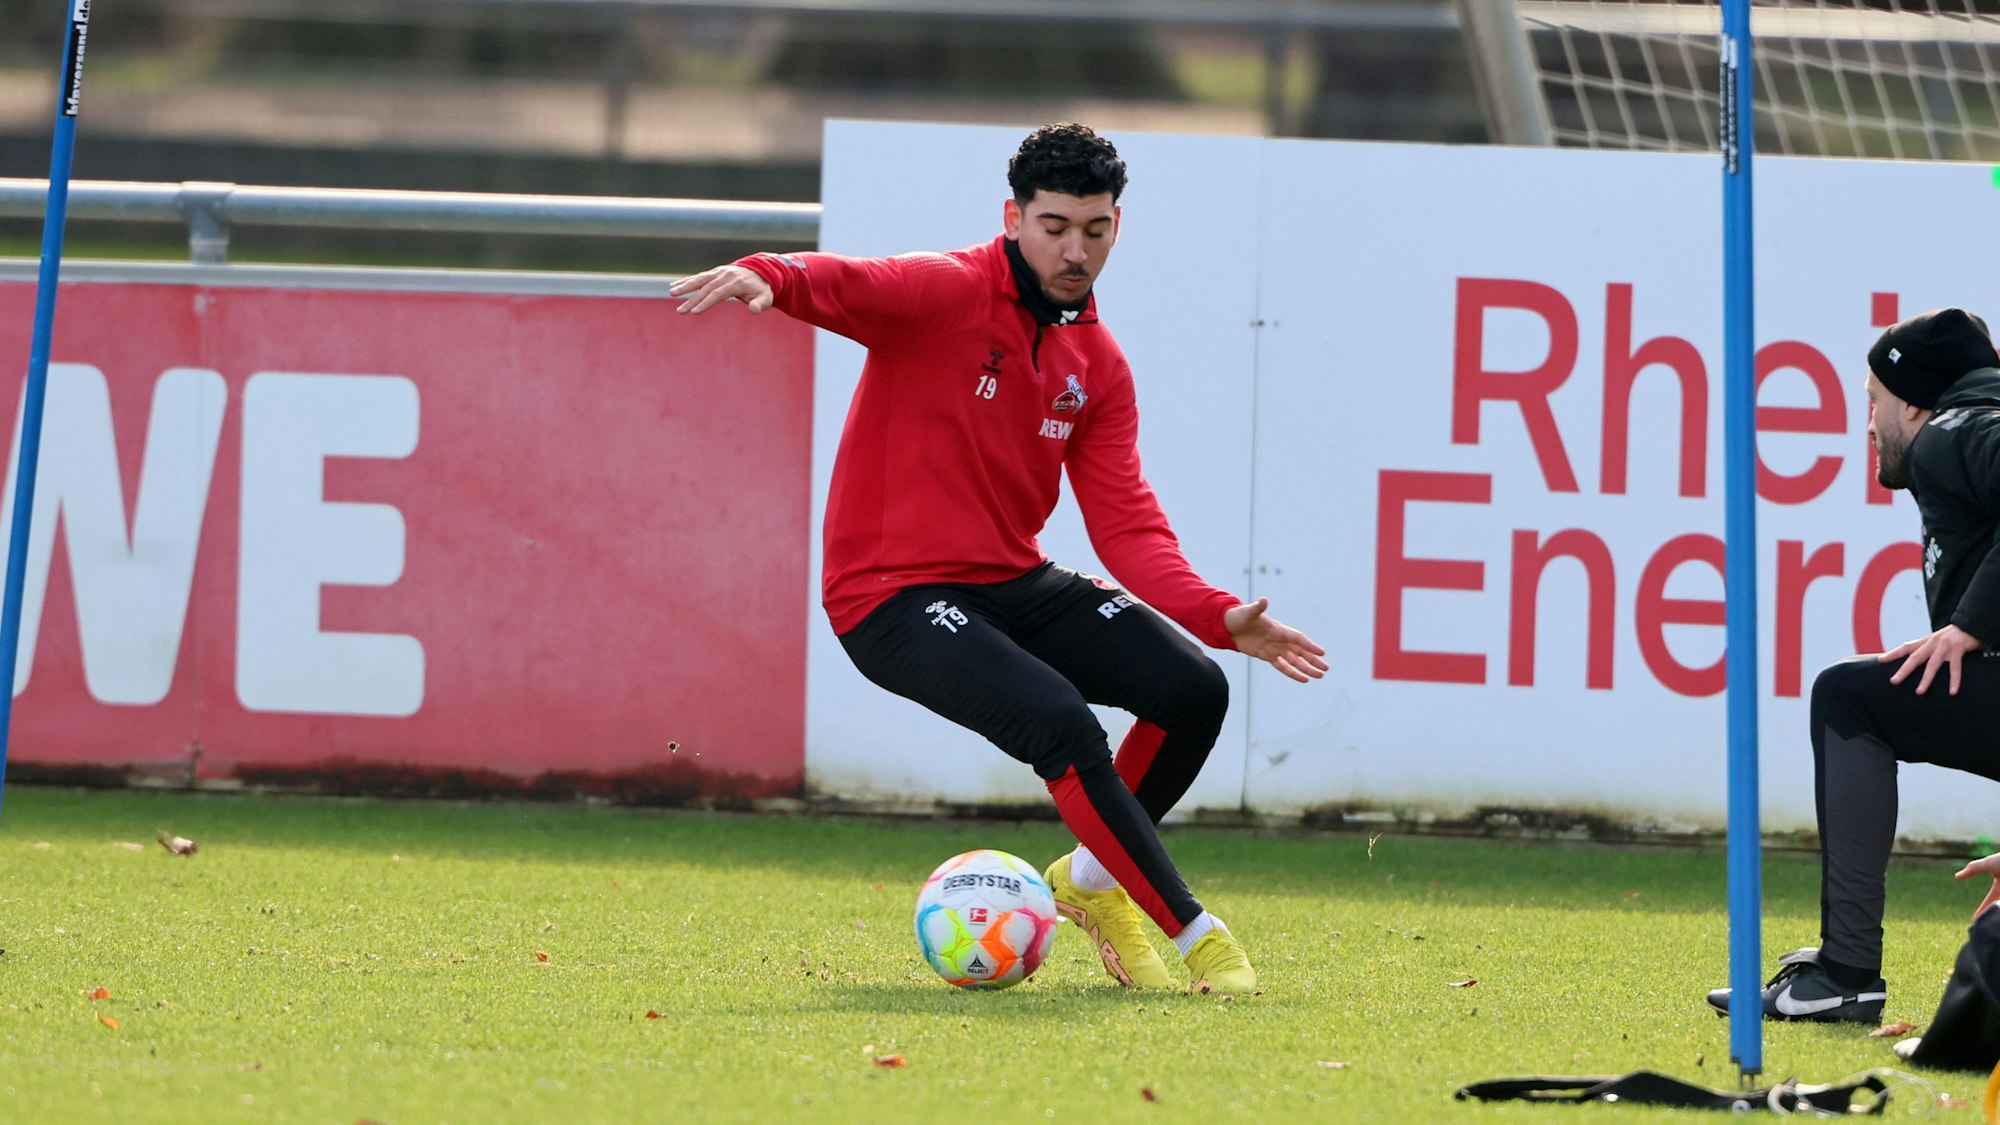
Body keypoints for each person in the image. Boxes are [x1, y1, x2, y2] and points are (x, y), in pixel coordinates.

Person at [668, 123, 1326, 994]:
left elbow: (1127, 526)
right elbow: (848, 282)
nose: (1075, 248)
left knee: (1193, 687)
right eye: (1054, 225)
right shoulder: (946, 291)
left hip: (1012, 578)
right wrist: (772, 275)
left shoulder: (1099, 365)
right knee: (1061, 721)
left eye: (1094, 229)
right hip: (890, 599)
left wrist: (1217, 613)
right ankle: (1202, 939)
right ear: (1012, 217)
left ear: (1117, 227)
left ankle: (1087, 886)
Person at [1707, 307, 2000, 1024]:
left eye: (1872, 400)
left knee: (1848, 698)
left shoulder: (1948, 434)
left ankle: (1845, 970)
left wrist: (1970, 624)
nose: (1867, 422)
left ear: (1912, 401)